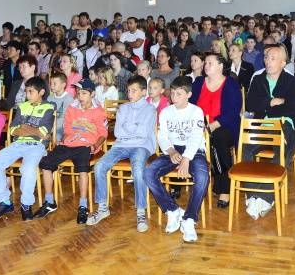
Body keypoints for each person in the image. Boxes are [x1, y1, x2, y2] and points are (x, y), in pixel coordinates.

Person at [87, 75, 157, 232]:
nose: (130, 94)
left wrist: (128, 127)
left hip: (141, 146)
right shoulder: (123, 108)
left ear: (143, 92)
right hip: (121, 145)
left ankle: (141, 211)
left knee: (138, 171)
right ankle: (102, 207)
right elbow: (118, 132)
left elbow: (144, 133)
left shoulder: (149, 109)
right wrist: (134, 127)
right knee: (99, 166)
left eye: (134, 90)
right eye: (128, 90)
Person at [144, 76, 209, 242]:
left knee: (203, 176)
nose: (174, 97)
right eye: (172, 93)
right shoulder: (166, 112)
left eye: (179, 94)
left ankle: (189, 219)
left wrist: (186, 159)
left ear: (189, 94)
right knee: (149, 173)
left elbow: (195, 137)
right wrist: (171, 151)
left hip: (194, 151)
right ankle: (172, 210)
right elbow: (162, 136)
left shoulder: (196, 111)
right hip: (172, 150)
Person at [34, 79, 107, 223]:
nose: (80, 96)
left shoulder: (99, 111)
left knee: (83, 169)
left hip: (86, 145)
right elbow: (67, 128)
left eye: (84, 93)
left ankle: (83, 206)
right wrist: (62, 140)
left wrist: (94, 145)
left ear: (92, 94)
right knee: (46, 165)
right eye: (78, 93)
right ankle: (49, 202)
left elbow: (103, 133)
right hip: (69, 143)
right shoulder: (72, 107)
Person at [244, 44, 295, 219]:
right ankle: (253, 195)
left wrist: (264, 107)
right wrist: (272, 102)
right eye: (266, 57)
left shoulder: (292, 82)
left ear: (283, 63)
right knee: (244, 149)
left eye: (273, 58)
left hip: (284, 125)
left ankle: (264, 198)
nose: (267, 61)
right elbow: (251, 104)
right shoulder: (258, 79)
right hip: (262, 125)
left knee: (282, 151)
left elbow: (291, 108)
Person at [0, 77, 55, 220]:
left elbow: (43, 131)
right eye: (26, 91)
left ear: (41, 92)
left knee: (28, 169)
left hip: (36, 146)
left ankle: (26, 204)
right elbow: (13, 130)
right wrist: (33, 131)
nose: (27, 95)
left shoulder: (48, 108)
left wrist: (23, 127)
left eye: (31, 92)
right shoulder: (22, 107)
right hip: (17, 144)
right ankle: (4, 202)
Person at [190, 53, 242, 208]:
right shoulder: (199, 82)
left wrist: (213, 125)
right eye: (205, 63)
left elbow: (234, 110)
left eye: (210, 63)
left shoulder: (230, 83)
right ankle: (176, 185)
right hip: (200, 126)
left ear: (220, 66)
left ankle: (224, 189)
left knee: (218, 138)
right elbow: (190, 105)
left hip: (225, 126)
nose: (206, 66)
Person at [47, 73, 73, 142]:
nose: (52, 86)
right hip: (50, 125)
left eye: (55, 83)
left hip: (62, 126)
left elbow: (64, 118)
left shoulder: (68, 98)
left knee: (57, 137)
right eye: (51, 83)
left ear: (63, 84)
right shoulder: (50, 97)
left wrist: (51, 130)